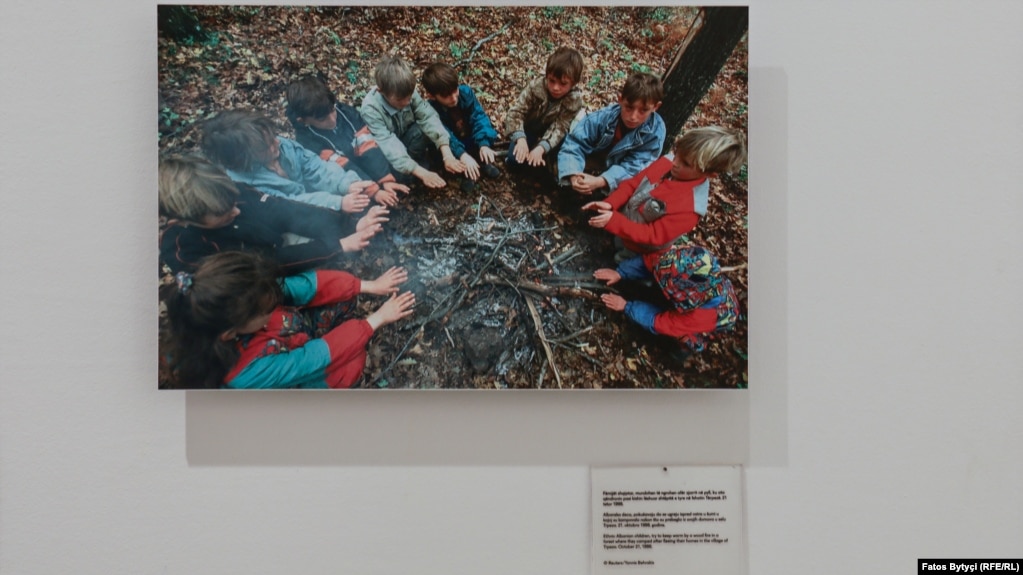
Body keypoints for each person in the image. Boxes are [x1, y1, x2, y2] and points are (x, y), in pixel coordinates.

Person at [160, 251, 416, 389]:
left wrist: (366, 285)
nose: (270, 310)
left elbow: (299, 287)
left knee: (345, 297)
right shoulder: (244, 375)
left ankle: (342, 334)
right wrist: (377, 320)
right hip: (291, 372)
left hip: (290, 334)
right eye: (264, 312)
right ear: (229, 333)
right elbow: (309, 360)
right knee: (353, 361)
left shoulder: (243, 292)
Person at [158, 155, 387, 274]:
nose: (237, 211)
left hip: (272, 243)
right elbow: (264, 266)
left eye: (234, 203)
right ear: (186, 219)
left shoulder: (236, 190)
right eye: (224, 213)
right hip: (254, 285)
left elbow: (287, 212)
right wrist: (337, 246)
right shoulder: (185, 250)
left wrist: (349, 224)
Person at [582, 126, 747, 258]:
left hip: (636, 250)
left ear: (710, 174)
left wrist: (615, 221)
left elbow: (653, 236)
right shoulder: (668, 161)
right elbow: (632, 184)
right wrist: (610, 203)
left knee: (616, 262)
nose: (674, 162)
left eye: (686, 163)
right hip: (617, 223)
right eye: (677, 153)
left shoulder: (690, 208)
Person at [201, 110, 375, 213]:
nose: (277, 142)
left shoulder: (281, 146)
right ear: (245, 158)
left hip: (309, 197)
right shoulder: (245, 185)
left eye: (273, 137)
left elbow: (316, 167)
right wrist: (337, 203)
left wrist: (346, 185)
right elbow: (289, 204)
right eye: (267, 145)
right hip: (285, 217)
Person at [285, 74, 410, 207]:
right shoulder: (308, 143)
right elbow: (341, 168)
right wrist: (374, 191)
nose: (332, 120)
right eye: (322, 119)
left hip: (363, 163)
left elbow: (367, 146)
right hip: (348, 182)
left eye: (333, 110)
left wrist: (385, 179)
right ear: (303, 121)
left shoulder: (343, 111)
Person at [593, 244, 739, 356]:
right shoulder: (683, 256)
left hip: (710, 321)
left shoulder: (703, 315)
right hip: (691, 295)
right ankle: (662, 296)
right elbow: (650, 261)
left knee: (684, 337)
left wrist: (626, 306)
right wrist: (620, 272)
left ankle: (678, 353)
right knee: (657, 286)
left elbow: (662, 323)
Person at [360, 56, 465, 189]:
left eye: (410, 97)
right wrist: (421, 173)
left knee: (422, 129)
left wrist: (447, 154)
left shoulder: (405, 90)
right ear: (381, 91)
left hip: (407, 138)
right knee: (402, 177)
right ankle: (411, 172)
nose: (407, 102)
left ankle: (417, 165)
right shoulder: (370, 110)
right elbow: (388, 145)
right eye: (400, 100)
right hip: (387, 155)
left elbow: (427, 117)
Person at [558, 72, 666, 196]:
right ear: (620, 100)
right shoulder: (604, 117)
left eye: (643, 110)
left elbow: (634, 168)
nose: (633, 117)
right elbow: (575, 142)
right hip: (597, 161)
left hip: (619, 177)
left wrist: (601, 181)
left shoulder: (655, 133)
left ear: (655, 107)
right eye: (629, 107)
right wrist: (573, 174)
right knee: (560, 165)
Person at [421, 62, 501, 192]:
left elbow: (478, 117)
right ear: (432, 96)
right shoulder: (430, 109)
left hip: (469, 138)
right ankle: (464, 173)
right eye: (446, 95)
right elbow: (445, 135)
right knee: (439, 152)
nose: (453, 98)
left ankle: (482, 160)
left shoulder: (465, 93)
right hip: (451, 146)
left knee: (484, 133)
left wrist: (483, 144)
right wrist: (462, 154)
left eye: (454, 91)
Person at [503, 46, 585, 171]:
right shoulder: (536, 87)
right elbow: (515, 113)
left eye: (563, 84)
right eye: (552, 81)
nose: (556, 88)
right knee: (515, 161)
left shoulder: (574, 100)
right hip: (528, 128)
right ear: (547, 75)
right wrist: (520, 138)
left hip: (551, 135)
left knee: (546, 167)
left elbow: (560, 127)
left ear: (574, 83)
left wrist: (542, 148)